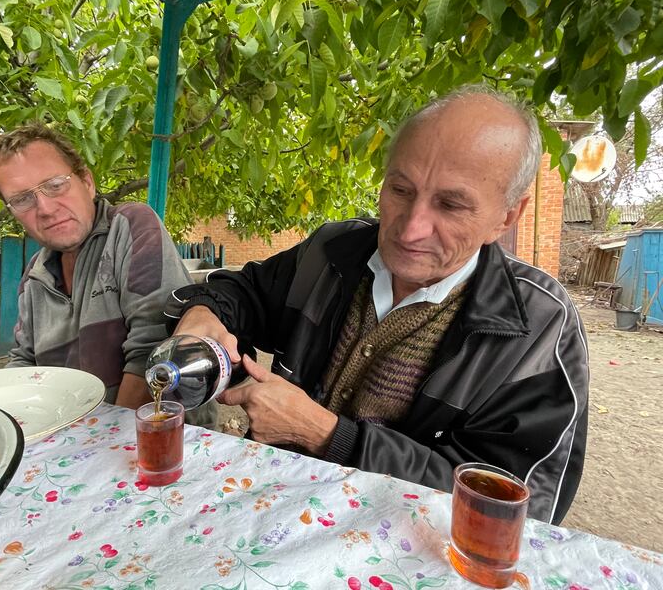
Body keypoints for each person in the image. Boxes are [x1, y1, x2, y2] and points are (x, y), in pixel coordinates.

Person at [165, 86, 589, 524]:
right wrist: (203, 313)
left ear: (507, 216)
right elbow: (245, 291)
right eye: (400, 190)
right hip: (279, 514)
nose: (409, 230)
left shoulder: (540, 328)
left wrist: (327, 435)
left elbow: (511, 511)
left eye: (450, 204)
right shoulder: (332, 252)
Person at [0, 123, 216, 426]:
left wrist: (103, 442)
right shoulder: (35, 276)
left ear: (87, 182)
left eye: (55, 185)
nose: (45, 208)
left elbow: (153, 352)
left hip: (159, 439)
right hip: (70, 435)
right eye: (22, 199)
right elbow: (24, 362)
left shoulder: (130, 226)